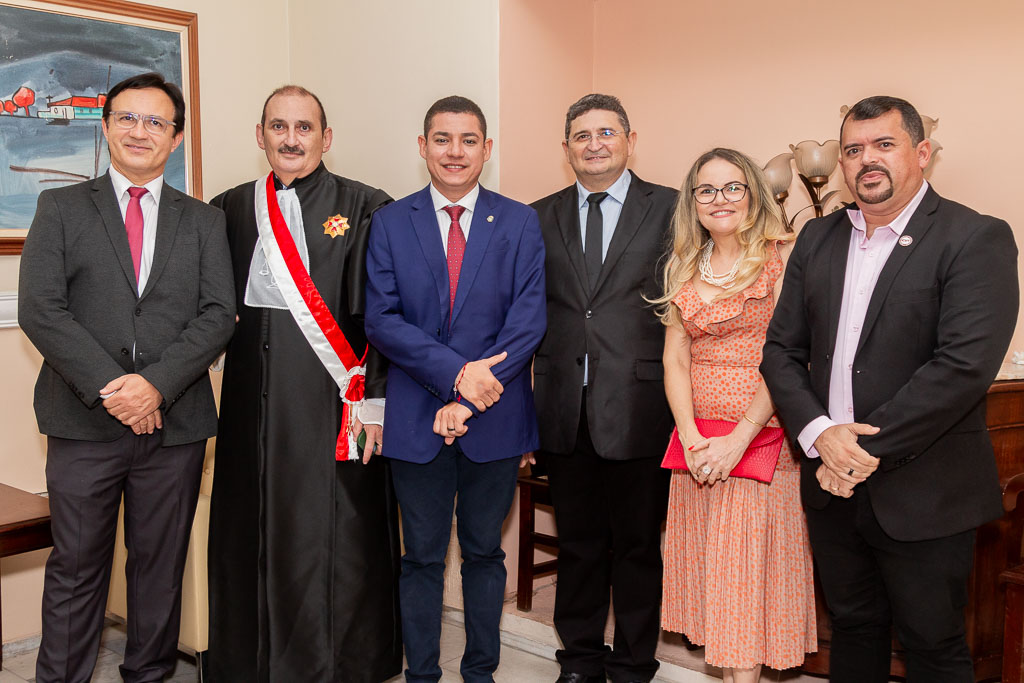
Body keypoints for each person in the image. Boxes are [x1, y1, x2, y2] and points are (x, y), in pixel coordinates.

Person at [761, 95, 1019, 683]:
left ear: (921, 153)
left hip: (924, 488)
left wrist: (854, 452)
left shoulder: (973, 236)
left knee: (934, 645)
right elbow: (780, 351)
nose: (866, 159)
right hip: (830, 484)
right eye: (853, 149)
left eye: (884, 144)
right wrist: (821, 435)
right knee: (853, 628)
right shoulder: (817, 238)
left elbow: (962, 367)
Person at [18, 72, 235, 683]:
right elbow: (41, 309)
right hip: (82, 421)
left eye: (156, 122)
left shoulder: (204, 220)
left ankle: (148, 675)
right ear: (107, 126)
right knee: (76, 568)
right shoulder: (61, 208)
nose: (141, 131)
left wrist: (155, 385)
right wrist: (118, 390)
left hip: (176, 425)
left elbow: (218, 315)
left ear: (176, 137)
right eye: (128, 118)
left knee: (159, 570)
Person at [206, 85, 401, 683]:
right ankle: (247, 663)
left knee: (334, 536)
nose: (291, 139)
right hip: (248, 408)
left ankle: (337, 665)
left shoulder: (368, 206)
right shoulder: (228, 208)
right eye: (278, 126)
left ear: (326, 137)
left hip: (332, 408)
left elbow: (387, 318)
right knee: (248, 531)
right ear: (260, 135)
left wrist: (375, 404)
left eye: (304, 127)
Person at [364, 95, 546, 683]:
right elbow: (382, 321)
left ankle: (480, 673)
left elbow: (528, 323)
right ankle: (421, 675)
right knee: (419, 557)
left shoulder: (519, 221)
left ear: (486, 149)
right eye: (442, 139)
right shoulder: (391, 222)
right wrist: (455, 376)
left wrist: (467, 399)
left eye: (468, 140)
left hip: (495, 417)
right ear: (423, 147)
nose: (455, 152)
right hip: (415, 418)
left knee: (484, 554)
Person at [652, 148, 815, 683]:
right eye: (706, 190)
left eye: (732, 187)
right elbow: (675, 358)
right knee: (716, 584)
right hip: (700, 447)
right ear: (692, 201)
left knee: (744, 581)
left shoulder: (781, 257)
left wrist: (738, 440)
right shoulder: (683, 264)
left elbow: (790, 355)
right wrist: (691, 437)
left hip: (761, 441)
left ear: (753, 194)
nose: (719, 199)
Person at [530, 93, 676, 683]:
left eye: (607, 132)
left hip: (642, 406)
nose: (595, 144)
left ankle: (635, 664)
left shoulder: (672, 208)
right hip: (563, 407)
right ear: (566, 147)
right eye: (582, 135)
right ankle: (580, 660)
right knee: (579, 544)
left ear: (630, 140)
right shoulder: (537, 216)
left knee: (638, 546)